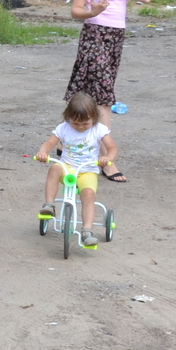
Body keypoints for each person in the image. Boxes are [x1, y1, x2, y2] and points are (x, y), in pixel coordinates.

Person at [66, 0, 149, 182]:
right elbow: (76, 10)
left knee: (90, 92)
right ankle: (107, 161)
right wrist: (93, 12)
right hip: (95, 34)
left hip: (116, 38)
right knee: (104, 98)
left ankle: (67, 143)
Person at [35, 92, 117, 250]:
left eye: (85, 123)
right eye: (75, 123)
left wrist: (108, 158)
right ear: (68, 117)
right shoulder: (63, 128)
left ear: (94, 117)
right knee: (53, 169)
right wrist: (43, 152)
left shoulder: (99, 130)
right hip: (67, 166)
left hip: (87, 170)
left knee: (88, 195)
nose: (80, 127)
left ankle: (87, 231)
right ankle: (49, 205)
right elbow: (49, 143)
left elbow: (112, 148)